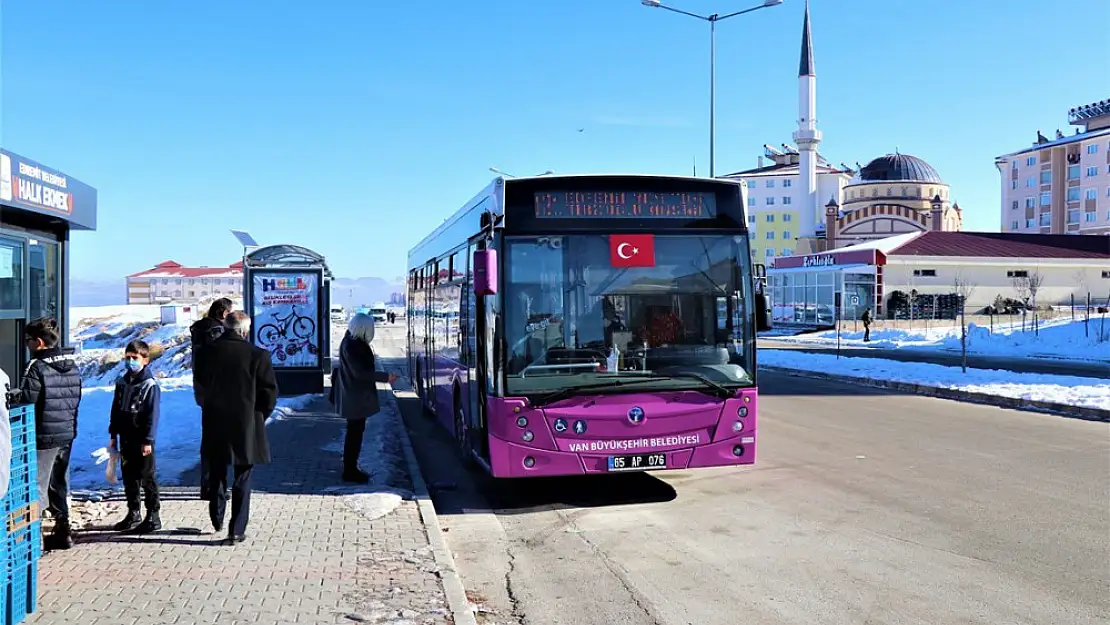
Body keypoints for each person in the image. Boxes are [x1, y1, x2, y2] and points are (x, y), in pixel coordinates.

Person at [195, 311, 277, 544]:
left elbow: (200, 385)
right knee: (243, 473)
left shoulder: (207, 353)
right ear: (245, 330)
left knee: (217, 468)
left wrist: (207, 406)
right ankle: (237, 529)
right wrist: (260, 414)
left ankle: (217, 515)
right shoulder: (258, 355)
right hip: (246, 422)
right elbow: (269, 392)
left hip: (215, 420)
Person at [16, 317, 81, 550]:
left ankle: (34, 539)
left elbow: (28, 400)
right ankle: (63, 531)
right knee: (58, 483)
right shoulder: (71, 364)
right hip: (66, 432)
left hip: (43, 435)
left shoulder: (36, 366)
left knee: (38, 486)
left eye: (28, 340)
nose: (26, 345)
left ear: (39, 342)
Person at [335, 313, 397, 484]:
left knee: (354, 433)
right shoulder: (354, 346)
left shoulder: (350, 341)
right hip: (354, 396)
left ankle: (351, 468)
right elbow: (360, 373)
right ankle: (350, 470)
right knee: (354, 434)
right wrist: (386, 377)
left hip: (352, 394)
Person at [108, 340, 162, 534]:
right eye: (128, 358)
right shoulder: (122, 382)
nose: (130, 361)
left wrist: (148, 439)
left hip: (142, 439)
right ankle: (133, 511)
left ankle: (153, 515)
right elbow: (116, 408)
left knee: (147, 476)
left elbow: (152, 415)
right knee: (129, 476)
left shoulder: (149, 385)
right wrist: (113, 432)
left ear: (145, 360)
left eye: (135, 358)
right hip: (126, 436)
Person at [190, 297, 233, 500]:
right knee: (220, 442)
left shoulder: (198, 331)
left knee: (208, 440)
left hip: (203, 391)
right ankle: (215, 487)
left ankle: (206, 484)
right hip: (219, 392)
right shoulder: (217, 332)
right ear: (224, 313)